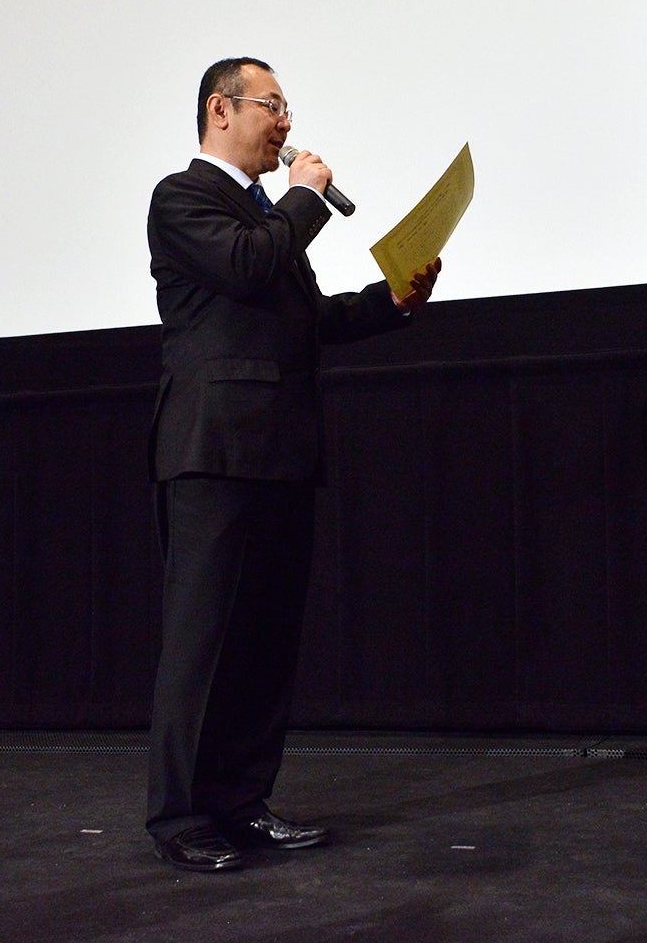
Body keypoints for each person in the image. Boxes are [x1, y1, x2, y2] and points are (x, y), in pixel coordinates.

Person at [144, 57, 440, 873]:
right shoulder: (184, 197)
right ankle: (180, 814)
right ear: (220, 111)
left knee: (266, 640)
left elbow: (307, 318)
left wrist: (393, 302)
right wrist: (304, 196)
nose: (285, 123)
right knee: (203, 641)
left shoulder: (265, 219)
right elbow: (245, 265)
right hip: (213, 450)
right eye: (272, 106)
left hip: (280, 448)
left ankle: (242, 802)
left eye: (286, 108)